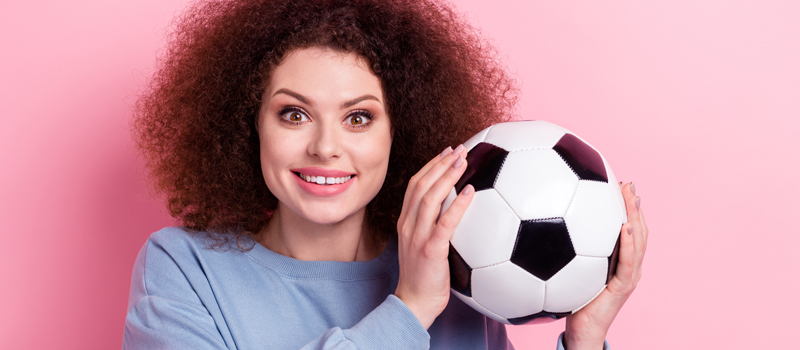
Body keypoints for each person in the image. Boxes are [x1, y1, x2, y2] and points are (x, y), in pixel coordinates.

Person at [123, 0, 648, 349]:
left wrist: (585, 339)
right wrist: (410, 308)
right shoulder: (183, 270)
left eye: (359, 118)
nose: (326, 147)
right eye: (294, 113)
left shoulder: (463, 266)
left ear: (400, 131)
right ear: (248, 124)